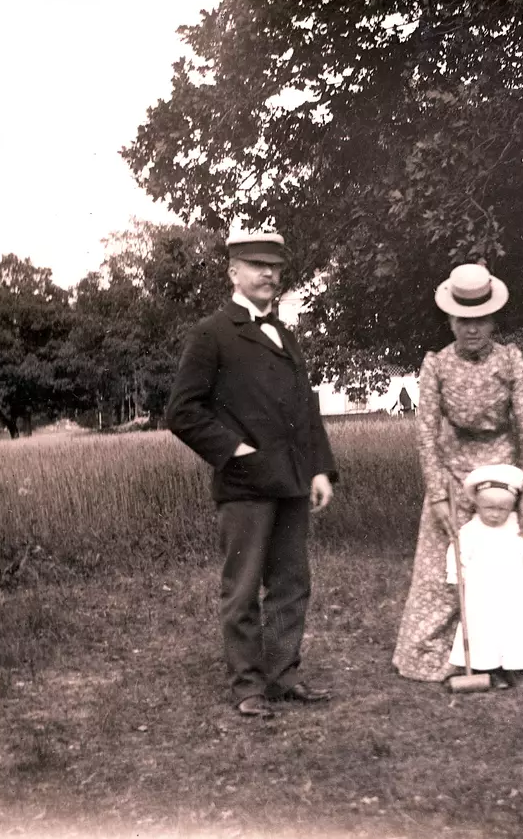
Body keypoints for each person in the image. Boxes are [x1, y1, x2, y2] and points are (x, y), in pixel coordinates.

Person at [166, 231, 338, 719]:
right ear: (233, 272)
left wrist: (321, 470)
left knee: (291, 583)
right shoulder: (212, 332)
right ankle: (248, 687)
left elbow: (307, 410)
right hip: (243, 486)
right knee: (242, 588)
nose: (269, 275)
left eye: (275, 267)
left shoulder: (286, 335)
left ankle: (282, 678)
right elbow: (182, 411)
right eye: (256, 265)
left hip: (292, 481)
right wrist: (234, 449)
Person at [392, 262, 523, 682]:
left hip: (507, 472)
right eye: (463, 320)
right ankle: (450, 656)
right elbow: (426, 435)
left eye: (480, 320)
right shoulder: (436, 365)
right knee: (448, 565)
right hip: (454, 469)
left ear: (492, 321)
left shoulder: (511, 361)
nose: (472, 329)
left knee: (510, 563)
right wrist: (438, 493)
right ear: (451, 320)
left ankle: (512, 655)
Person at [446, 464, 523, 688]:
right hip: (483, 592)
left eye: (502, 509)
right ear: (476, 504)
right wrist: (456, 578)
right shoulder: (470, 531)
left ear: (512, 507)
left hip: (517, 587)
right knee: (485, 628)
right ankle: (487, 668)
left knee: (517, 625)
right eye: (489, 508)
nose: (495, 514)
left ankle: (519, 665)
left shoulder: (519, 525)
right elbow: (456, 555)